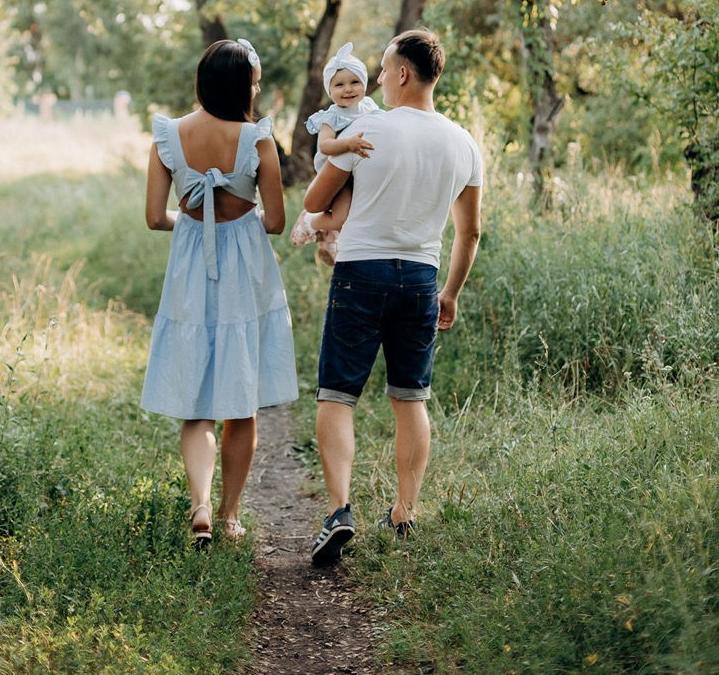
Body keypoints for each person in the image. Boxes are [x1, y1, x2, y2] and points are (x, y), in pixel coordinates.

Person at [302, 28, 482, 566]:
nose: (377, 80)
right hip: (422, 278)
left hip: (361, 272)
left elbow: (314, 200)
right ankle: (405, 511)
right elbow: (470, 233)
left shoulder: (367, 129)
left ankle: (339, 513)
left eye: (382, 70)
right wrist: (450, 292)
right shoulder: (464, 142)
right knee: (411, 398)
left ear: (403, 73)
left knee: (337, 395)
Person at [140, 37, 298, 547]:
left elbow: (152, 218)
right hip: (244, 270)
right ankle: (230, 516)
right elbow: (274, 222)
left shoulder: (168, 137)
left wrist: (191, 222)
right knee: (240, 402)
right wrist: (234, 213)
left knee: (196, 402)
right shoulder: (258, 139)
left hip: (190, 266)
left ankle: (201, 505)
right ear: (242, 85)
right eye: (254, 81)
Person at [289, 43, 377, 265]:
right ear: (330, 90)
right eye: (339, 85)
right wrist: (347, 144)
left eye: (354, 82)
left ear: (364, 84)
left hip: (357, 172)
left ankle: (327, 240)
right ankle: (310, 222)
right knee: (341, 216)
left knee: (351, 215)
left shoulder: (369, 106)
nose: (348, 89)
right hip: (337, 175)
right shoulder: (332, 116)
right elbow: (326, 145)